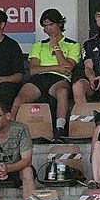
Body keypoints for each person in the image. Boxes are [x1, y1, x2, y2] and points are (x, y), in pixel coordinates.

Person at [11, 9, 81, 138]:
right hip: (39, 79)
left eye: (51, 24)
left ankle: (60, 129)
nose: (48, 29)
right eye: (45, 25)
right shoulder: (39, 45)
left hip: (60, 79)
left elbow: (67, 68)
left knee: (62, 92)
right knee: (19, 99)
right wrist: (57, 67)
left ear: (60, 23)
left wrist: (56, 47)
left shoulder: (73, 45)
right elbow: (33, 70)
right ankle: (11, 131)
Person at [0, 101, 36, 200]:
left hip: (15, 169)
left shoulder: (21, 129)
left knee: (28, 171)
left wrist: (7, 168)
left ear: (7, 116)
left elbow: (27, 160)